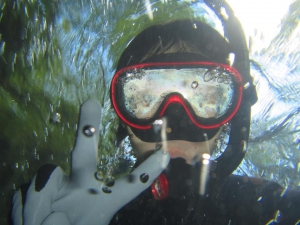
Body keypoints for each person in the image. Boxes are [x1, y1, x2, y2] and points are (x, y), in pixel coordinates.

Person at [11, 1, 300, 225]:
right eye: (145, 98)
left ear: (231, 118)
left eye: (205, 97)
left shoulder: (263, 205)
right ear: (124, 123)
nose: (172, 122)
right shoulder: (93, 212)